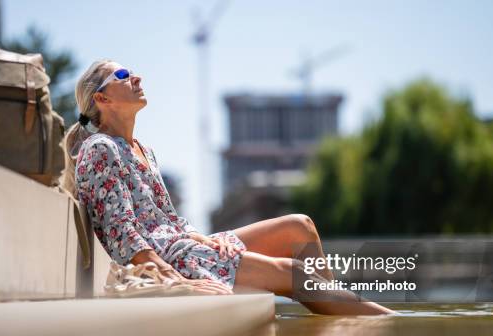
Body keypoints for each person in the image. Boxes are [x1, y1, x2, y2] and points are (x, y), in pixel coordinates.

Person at [60, 60, 393, 315]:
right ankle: (387, 322)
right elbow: (123, 234)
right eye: (122, 76)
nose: (137, 78)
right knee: (293, 273)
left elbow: (167, 219)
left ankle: (339, 313)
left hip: (187, 245)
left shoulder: (143, 150)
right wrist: (177, 281)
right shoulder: (99, 149)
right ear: (102, 98)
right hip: (172, 260)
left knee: (299, 227)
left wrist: (201, 237)